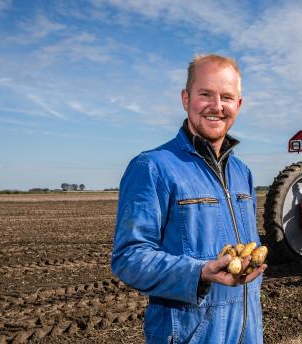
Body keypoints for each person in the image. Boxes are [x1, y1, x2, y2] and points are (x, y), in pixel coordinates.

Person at [111, 54, 267, 344]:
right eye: (205, 94)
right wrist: (200, 273)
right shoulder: (153, 167)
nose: (217, 106)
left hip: (247, 333)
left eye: (227, 97)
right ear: (186, 99)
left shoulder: (242, 172)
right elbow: (128, 258)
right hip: (190, 334)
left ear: (239, 105)